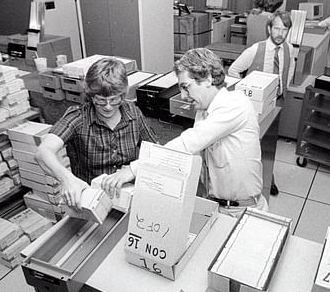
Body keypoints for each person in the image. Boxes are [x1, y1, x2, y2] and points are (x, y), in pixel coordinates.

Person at [100, 48, 267, 215]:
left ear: (208, 78)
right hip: (216, 205)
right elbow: (189, 158)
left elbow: (189, 143)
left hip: (242, 210)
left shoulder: (235, 104)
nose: (183, 96)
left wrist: (133, 169)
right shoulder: (203, 111)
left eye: (186, 87)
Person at [35, 57, 157, 209]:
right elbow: (43, 152)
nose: (107, 107)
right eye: (100, 100)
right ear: (91, 96)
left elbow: (156, 151)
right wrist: (67, 179)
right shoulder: (79, 118)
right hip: (91, 202)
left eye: (114, 100)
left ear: (123, 95)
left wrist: (133, 170)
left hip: (128, 197)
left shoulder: (133, 112)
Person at [227, 10, 295, 196]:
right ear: (269, 28)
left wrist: (281, 91)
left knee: (269, 144)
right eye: (277, 28)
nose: (280, 34)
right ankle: (246, 182)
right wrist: (246, 93)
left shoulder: (289, 49)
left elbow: (288, 72)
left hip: (276, 103)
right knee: (251, 144)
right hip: (254, 107)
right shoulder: (256, 49)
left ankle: (267, 177)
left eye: (285, 29)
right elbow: (234, 70)